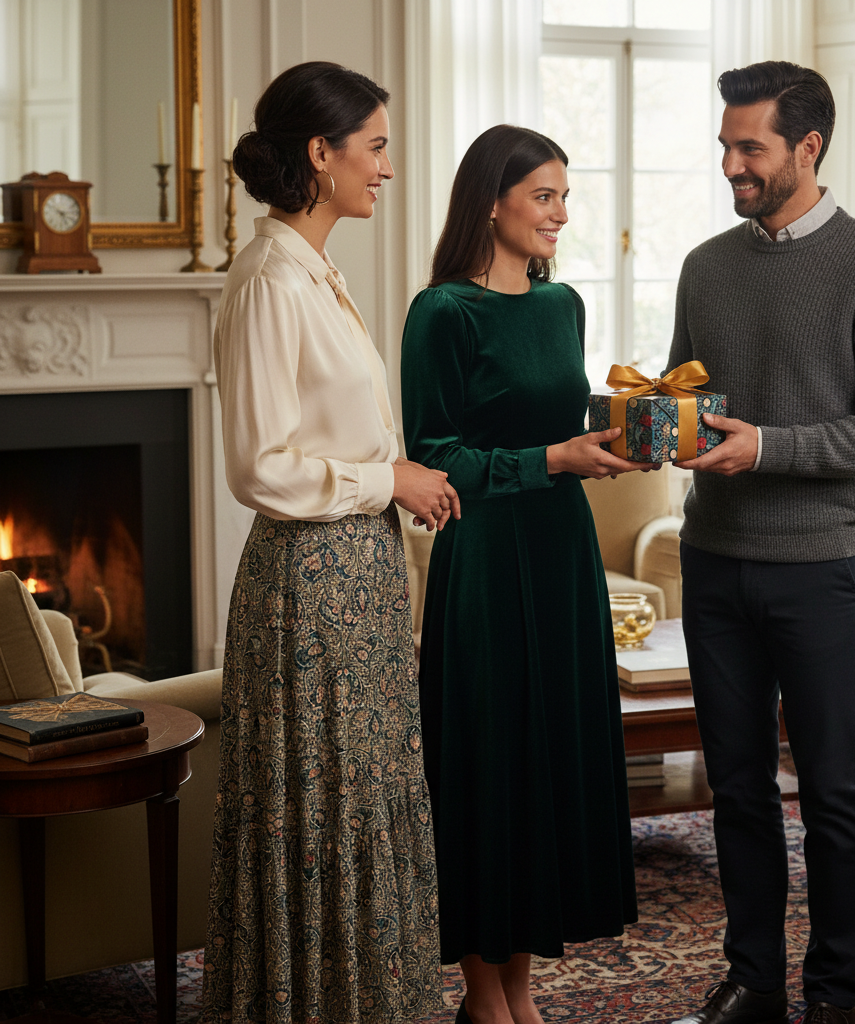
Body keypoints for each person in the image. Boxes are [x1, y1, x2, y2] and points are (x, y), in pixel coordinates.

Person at [665, 62, 855, 1024]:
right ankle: (754, 984)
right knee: (735, 789)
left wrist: (769, 448)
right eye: (726, 145)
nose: (731, 164)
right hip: (714, 562)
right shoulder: (706, 266)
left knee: (830, 792)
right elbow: (686, 392)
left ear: (807, 148)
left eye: (751, 148)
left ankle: (832, 997)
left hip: (820, 569)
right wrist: (656, 426)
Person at [202, 61, 455, 1024]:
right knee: (324, 808)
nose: (387, 166)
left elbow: (340, 436)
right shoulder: (270, 277)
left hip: (361, 572)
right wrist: (385, 480)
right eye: (376, 145)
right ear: (322, 153)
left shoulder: (314, 269)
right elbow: (259, 465)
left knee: (365, 802)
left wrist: (403, 483)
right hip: (310, 584)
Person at [400, 124, 643, 1024]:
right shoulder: (442, 313)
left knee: (548, 762)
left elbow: (559, 417)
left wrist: (625, 436)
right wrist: (552, 460)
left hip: (560, 552)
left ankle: (521, 992)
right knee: (488, 768)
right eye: (545, 196)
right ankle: (481, 995)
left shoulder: (563, 302)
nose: (561, 214)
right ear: (492, 201)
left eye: (565, 197)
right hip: (486, 563)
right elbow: (434, 459)